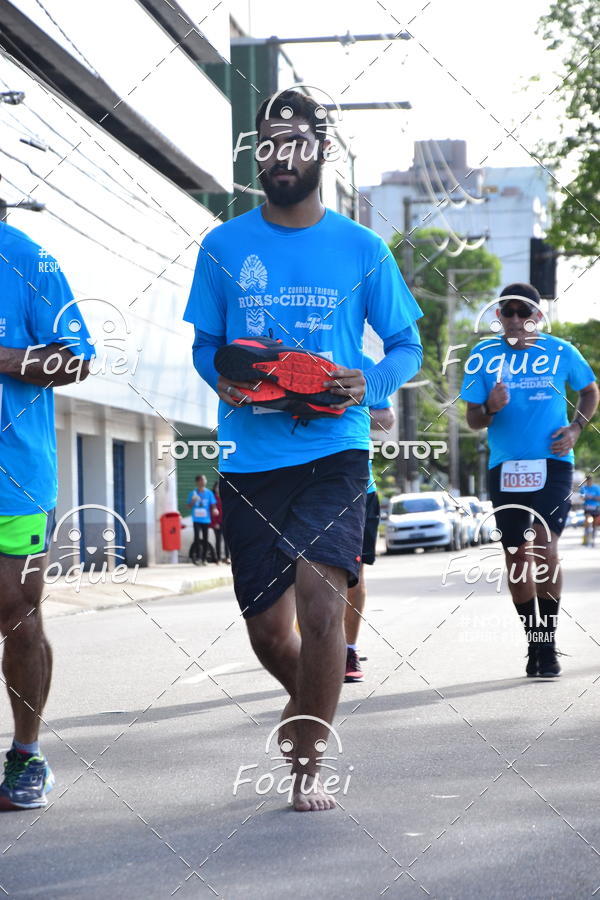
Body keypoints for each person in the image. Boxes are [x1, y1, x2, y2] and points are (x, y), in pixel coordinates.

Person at [184, 89, 423, 810]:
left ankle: (307, 765)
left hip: (334, 450)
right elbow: (206, 347)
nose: (281, 157)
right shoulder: (225, 246)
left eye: (295, 143)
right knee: (268, 631)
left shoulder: (362, 247)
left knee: (323, 606)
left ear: (322, 151)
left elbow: (407, 345)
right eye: (268, 145)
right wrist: (221, 379)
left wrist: (370, 381)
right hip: (250, 459)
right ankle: (310, 699)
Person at [0, 212, 93, 809]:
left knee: (15, 612)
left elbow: (76, 358)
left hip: (16, 480)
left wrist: (5, 358)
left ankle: (27, 754)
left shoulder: (29, 259)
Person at [461, 283, 598, 678]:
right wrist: (490, 406)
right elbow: (473, 420)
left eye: (525, 313)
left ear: (537, 316)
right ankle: (533, 641)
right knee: (517, 557)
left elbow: (590, 391)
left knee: (544, 546)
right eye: (509, 312)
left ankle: (549, 643)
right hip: (505, 469)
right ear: (498, 316)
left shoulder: (560, 351)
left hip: (553, 463)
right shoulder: (482, 356)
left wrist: (576, 428)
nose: (517, 320)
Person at [344, 360, 395, 684]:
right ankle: (314, 643)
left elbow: (387, 418)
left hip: (359, 486)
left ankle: (348, 648)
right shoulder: (283, 350)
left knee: (354, 575)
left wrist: (349, 400)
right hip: (296, 481)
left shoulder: (360, 361)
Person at [187, 475, 217, 565]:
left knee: (205, 539)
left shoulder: (209, 493)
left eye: (205, 479)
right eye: (202, 479)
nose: (204, 481)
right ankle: (198, 558)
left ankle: (204, 559)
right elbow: (188, 506)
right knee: (196, 538)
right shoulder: (193, 493)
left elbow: (213, 505)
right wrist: (193, 500)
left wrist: (215, 510)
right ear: (198, 482)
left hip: (206, 519)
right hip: (196, 519)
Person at [211, 480, 228, 563]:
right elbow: (212, 511)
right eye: (217, 487)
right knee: (218, 540)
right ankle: (218, 558)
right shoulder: (213, 497)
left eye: (219, 486)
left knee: (226, 540)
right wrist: (214, 523)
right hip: (217, 522)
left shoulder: (225, 496)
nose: (218, 488)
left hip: (224, 522)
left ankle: (227, 557)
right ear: (214, 488)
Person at [580, 474, 600, 545]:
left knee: (595, 524)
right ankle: (586, 537)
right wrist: (585, 497)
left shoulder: (597, 488)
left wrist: (591, 497)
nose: (589, 482)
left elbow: (599, 498)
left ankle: (593, 539)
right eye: (587, 481)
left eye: (590, 480)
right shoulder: (583, 488)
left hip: (596, 508)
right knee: (588, 522)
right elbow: (581, 498)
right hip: (587, 509)